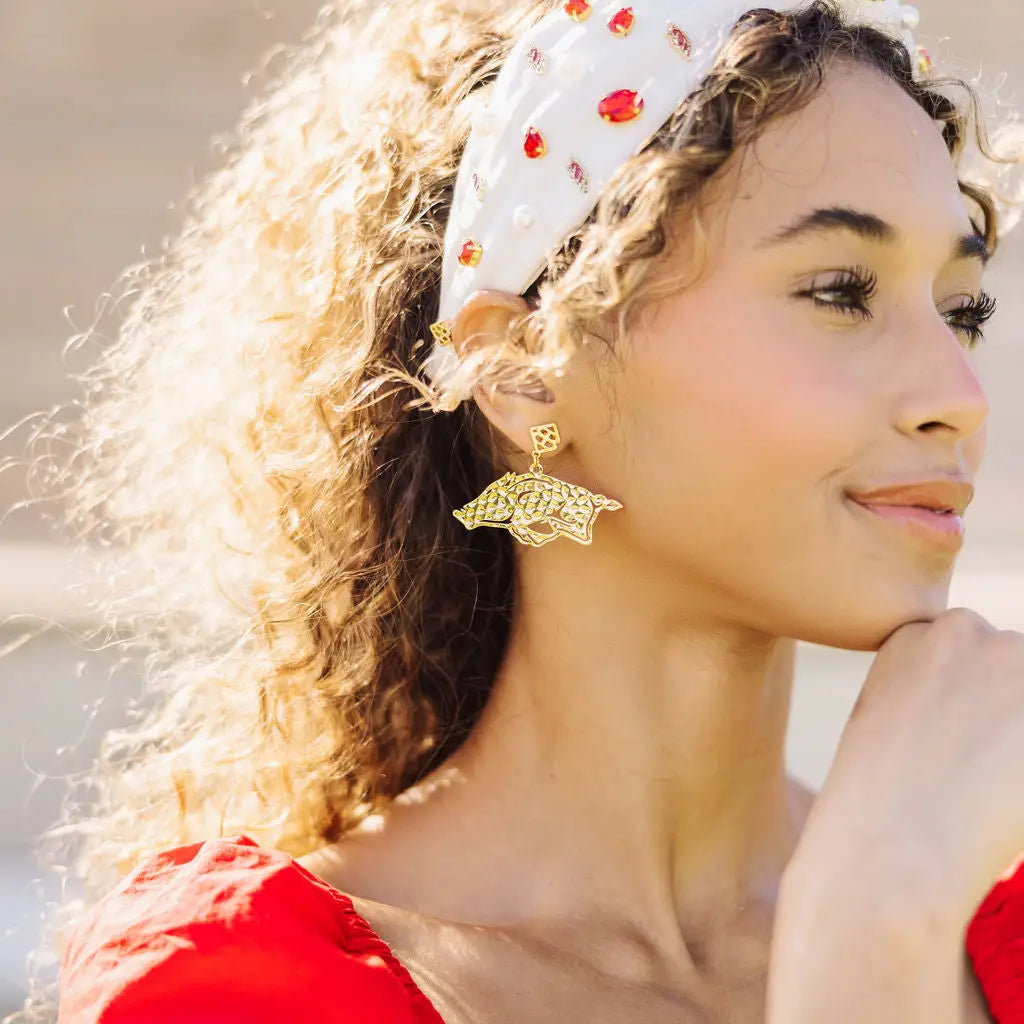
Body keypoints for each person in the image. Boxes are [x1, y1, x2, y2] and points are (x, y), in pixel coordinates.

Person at [13, 0, 1024, 1021]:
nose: (958, 396)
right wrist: (868, 935)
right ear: (520, 368)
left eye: (960, 310)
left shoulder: (997, 928)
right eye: (841, 290)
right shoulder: (244, 990)